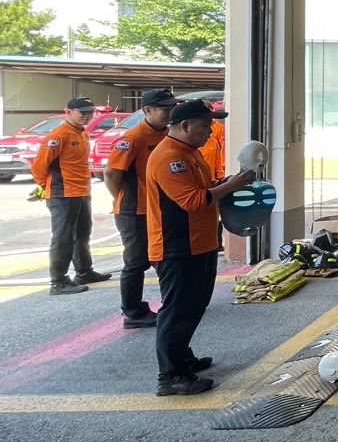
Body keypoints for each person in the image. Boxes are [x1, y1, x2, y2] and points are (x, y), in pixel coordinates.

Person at [146, 100, 254, 395]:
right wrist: (231, 186)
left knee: (194, 305)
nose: (210, 132)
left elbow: (203, 188)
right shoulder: (169, 157)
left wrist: (226, 181)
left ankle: (182, 358)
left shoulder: (190, 153)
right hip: (177, 247)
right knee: (177, 311)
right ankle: (170, 376)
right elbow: (193, 200)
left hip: (199, 244)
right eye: (205, 126)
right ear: (185, 125)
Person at [103, 87, 178, 327]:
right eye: (164, 109)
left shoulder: (168, 134)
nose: (169, 113)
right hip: (134, 211)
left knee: (165, 257)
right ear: (147, 110)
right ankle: (133, 312)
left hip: (158, 209)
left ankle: (172, 304)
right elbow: (111, 173)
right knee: (136, 263)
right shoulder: (132, 138)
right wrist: (122, 199)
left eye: (171, 108)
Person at [31, 96, 112, 295]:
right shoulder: (58, 135)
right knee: (63, 237)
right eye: (82, 112)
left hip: (81, 191)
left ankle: (84, 271)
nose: (87, 116)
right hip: (63, 193)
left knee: (83, 233)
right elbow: (39, 166)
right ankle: (59, 281)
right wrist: (44, 185)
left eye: (90, 112)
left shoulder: (82, 133)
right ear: (67, 112)